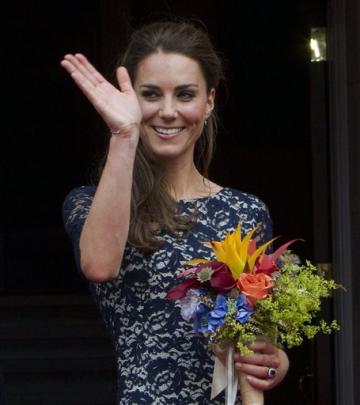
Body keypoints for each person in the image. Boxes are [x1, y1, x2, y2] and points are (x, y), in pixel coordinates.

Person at [61, 20, 289, 404]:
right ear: (129, 98)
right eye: (151, 94)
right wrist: (123, 134)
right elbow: (99, 265)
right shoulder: (88, 201)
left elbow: (261, 338)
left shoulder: (246, 210)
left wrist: (274, 362)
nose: (168, 111)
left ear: (209, 101)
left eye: (185, 95)